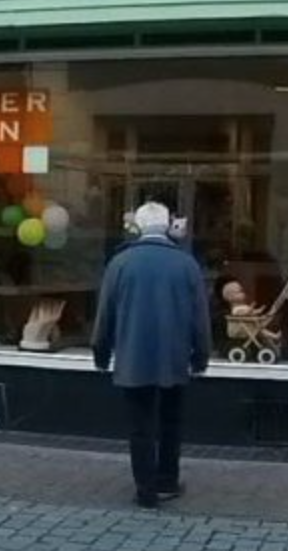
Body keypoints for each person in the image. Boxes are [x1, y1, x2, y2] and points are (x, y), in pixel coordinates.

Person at [92, 201, 211, 509]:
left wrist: (101, 352)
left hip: (133, 357)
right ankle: (167, 480)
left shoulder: (120, 263)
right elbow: (200, 316)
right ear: (168, 225)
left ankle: (145, 490)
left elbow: (105, 313)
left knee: (140, 426)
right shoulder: (186, 264)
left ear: (139, 227)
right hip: (174, 356)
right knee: (171, 422)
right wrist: (201, 356)